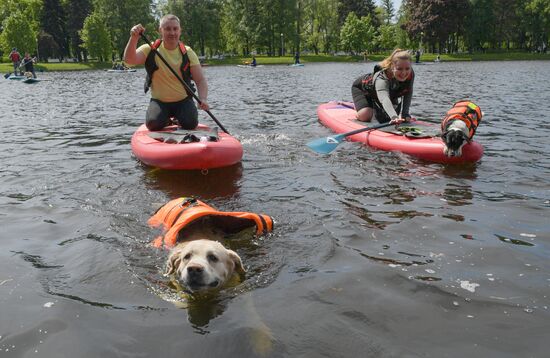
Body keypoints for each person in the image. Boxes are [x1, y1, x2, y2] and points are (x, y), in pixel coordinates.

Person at [123, 14, 209, 131]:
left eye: (175, 29)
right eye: (167, 29)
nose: (172, 33)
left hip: (183, 101)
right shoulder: (150, 49)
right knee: (153, 124)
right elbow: (129, 61)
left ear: (180, 31)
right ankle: (166, 120)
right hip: (160, 102)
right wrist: (134, 37)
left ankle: (179, 118)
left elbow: (200, 80)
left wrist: (203, 98)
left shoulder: (188, 52)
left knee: (190, 124)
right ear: (160, 31)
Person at [351, 49, 414, 123]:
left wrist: (405, 114)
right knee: (366, 115)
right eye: (399, 69)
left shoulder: (410, 74)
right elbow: (384, 98)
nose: (404, 73)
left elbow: (408, 92)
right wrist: (394, 117)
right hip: (363, 90)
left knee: (390, 113)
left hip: (389, 92)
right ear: (392, 67)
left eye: (407, 68)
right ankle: (360, 110)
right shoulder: (381, 78)